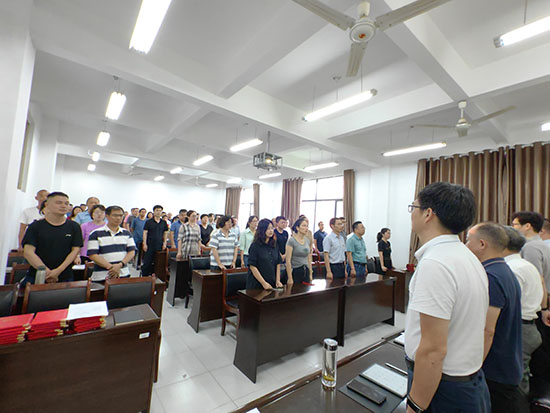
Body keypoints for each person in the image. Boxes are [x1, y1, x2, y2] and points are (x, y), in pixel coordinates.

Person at [405, 182, 490, 412]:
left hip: (443, 386)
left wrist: (415, 406)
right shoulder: (466, 256)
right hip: (466, 380)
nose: (411, 213)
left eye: (414, 207)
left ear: (428, 214)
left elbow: (433, 350)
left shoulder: (436, 263)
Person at [466, 222, 525, 412]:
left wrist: (472, 368)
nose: (466, 246)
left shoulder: (491, 276)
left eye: (468, 240)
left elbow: (487, 330)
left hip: (496, 370)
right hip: (506, 362)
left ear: (482, 244)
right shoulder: (504, 270)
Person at [503, 226, 546, 396]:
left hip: (519, 329)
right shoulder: (526, 265)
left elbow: (508, 304)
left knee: (515, 381)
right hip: (530, 326)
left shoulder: (511, 269)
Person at [22, 192, 83, 284]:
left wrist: (57, 271)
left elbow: (75, 250)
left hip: (65, 276)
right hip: (37, 275)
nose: (63, 206)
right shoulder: (35, 226)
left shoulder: (74, 227)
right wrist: (46, 272)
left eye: (66, 203)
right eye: (59, 203)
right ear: (47, 205)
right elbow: (28, 252)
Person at [87, 206, 136, 282]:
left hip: (123, 274)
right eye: (115, 215)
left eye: (121, 215)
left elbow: (132, 252)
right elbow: (92, 255)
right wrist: (111, 267)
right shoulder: (95, 233)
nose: (118, 218)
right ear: (107, 216)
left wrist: (120, 265)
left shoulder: (126, 233)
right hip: (101, 276)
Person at [512, 211, 550, 290]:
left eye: (515, 224)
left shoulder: (531, 247)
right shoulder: (540, 244)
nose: (512, 228)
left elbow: (534, 277)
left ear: (527, 226)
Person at [247, 219, 284, 290]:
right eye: (268, 229)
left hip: (271, 282)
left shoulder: (274, 244)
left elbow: (278, 263)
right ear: (262, 230)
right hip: (257, 284)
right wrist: (263, 283)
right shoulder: (255, 246)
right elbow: (252, 266)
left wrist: (278, 280)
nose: (271, 231)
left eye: (272, 228)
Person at [141, 205, 173, 276]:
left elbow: (165, 233)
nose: (158, 212)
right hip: (149, 245)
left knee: (158, 262)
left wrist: (164, 243)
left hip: (159, 245)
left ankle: (155, 276)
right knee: (147, 262)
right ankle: (145, 277)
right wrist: (144, 243)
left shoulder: (163, 222)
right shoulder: (149, 222)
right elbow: (145, 233)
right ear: (154, 212)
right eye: (157, 210)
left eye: (160, 211)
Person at [285, 217, 313, 284]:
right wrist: (290, 278)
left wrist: (310, 273)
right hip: (295, 271)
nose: (306, 228)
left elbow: (309, 258)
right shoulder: (291, 241)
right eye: (304, 226)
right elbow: (288, 260)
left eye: (307, 226)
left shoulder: (307, 240)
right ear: (297, 228)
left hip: (306, 270)